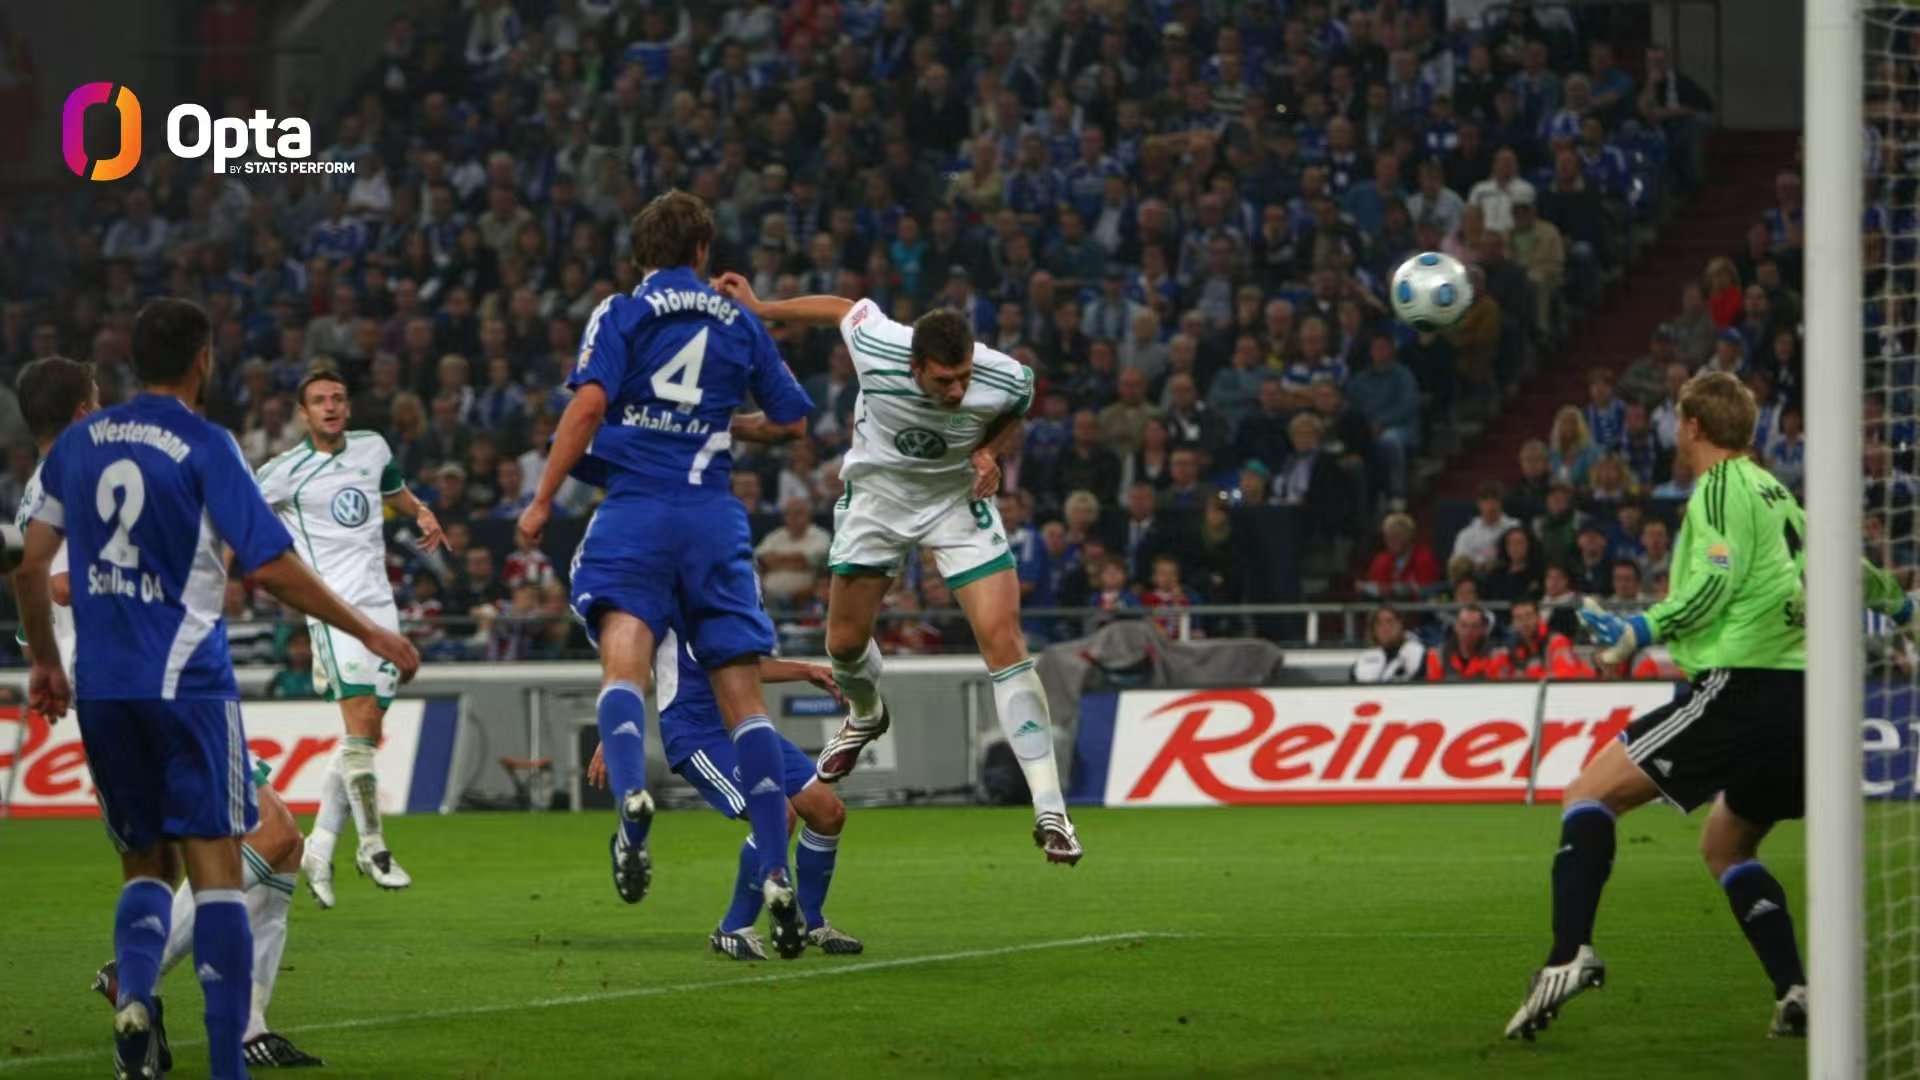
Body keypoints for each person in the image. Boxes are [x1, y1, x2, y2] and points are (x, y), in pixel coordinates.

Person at [14, 299, 419, 1079]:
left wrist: (46, 664)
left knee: (151, 867)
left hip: (101, 693)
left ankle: (143, 1001)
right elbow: (269, 565)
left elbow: (32, 570)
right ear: (202, 359)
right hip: (183, 683)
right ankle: (220, 1046)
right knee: (233, 863)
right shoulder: (199, 443)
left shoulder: (71, 458)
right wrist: (368, 629)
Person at [1505, 371, 1918, 1041]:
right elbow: (1842, 565)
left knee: (1587, 794)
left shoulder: (1720, 488)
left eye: (1678, 420)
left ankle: (1567, 953)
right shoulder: (1777, 492)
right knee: (1726, 845)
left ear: (1693, 426)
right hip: (1809, 705)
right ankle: (1794, 990)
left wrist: (1639, 629)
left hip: (1745, 689)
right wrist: (1901, 607)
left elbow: (1714, 585)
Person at [518, 192, 817, 954]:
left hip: (638, 511)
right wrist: (724, 423)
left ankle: (630, 806)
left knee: (625, 660)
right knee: (744, 703)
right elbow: (792, 420)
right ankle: (775, 868)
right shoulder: (739, 320)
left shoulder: (623, 310)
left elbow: (588, 405)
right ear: (703, 252)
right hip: (713, 518)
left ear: (638, 254)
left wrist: (544, 497)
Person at [716, 271, 1083, 865]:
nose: (958, 390)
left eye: (964, 377)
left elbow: (1018, 407)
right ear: (915, 366)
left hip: (956, 502)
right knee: (843, 645)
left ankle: (1051, 809)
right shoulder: (877, 342)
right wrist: (761, 308)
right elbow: (840, 307)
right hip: (878, 500)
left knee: (1003, 641)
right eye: (944, 380)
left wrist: (989, 450)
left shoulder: (1003, 375)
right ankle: (866, 715)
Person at [255, 368, 447, 902]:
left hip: (381, 608)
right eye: (319, 400)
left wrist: (423, 512)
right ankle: (372, 846)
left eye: (338, 398)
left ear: (348, 406)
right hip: (333, 612)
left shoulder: (372, 447)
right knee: (361, 724)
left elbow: (394, 490)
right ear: (303, 414)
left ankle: (318, 846)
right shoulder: (282, 473)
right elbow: (239, 517)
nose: (330, 406)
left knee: (364, 734)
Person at [588, 619, 864, 960]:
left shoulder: (740, 593)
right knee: (778, 815)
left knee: (828, 812)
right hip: (696, 734)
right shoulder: (670, 600)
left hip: (743, 725)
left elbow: (745, 666)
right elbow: (633, 664)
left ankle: (811, 921)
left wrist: (806, 670)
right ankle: (733, 928)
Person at [1453, 481, 1520, 573]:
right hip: (1476, 576)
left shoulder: (1515, 527)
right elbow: (1459, 563)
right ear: (1479, 504)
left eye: (1494, 500)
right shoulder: (1466, 534)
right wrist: (1481, 564)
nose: (1490, 505)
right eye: (1485, 500)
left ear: (1501, 502)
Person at [1352, 605, 1425, 683]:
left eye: (1390, 622)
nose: (1386, 628)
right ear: (1373, 631)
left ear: (1401, 625)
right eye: (1379, 624)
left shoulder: (1420, 655)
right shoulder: (1362, 662)